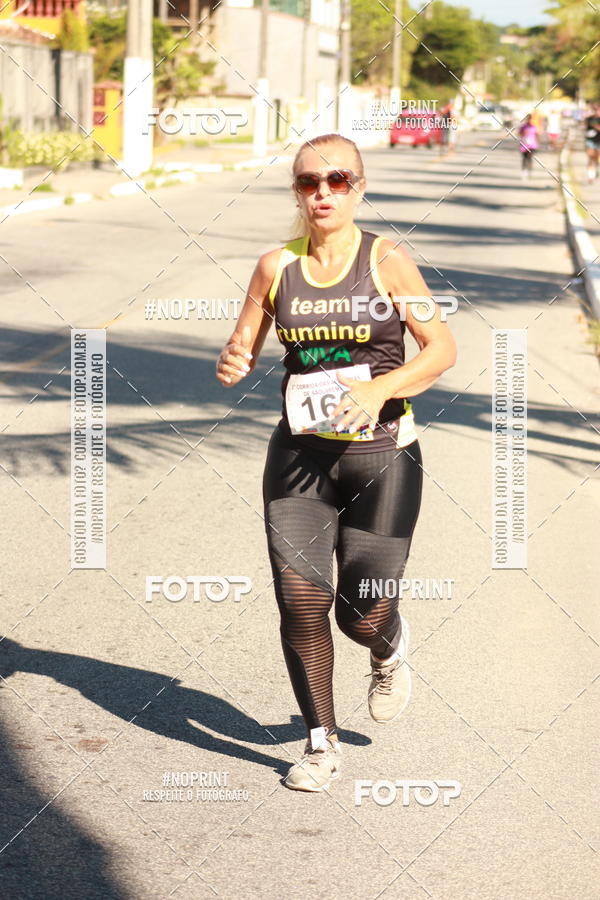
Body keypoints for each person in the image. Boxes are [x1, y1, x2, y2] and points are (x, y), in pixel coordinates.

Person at [216, 133, 457, 792]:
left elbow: (441, 348)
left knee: (360, 614)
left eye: (338, 180)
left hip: (382, 458)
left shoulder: (387, 261)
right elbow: (243, 343)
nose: (323, 192)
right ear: (297, 192)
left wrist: (380, 390)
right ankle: (320, 742)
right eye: (309, 182)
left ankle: (387, 644)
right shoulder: (275, 267)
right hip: (299, 457)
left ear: (358, 187)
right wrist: (233, 359)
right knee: (300, 601)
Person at [518, 114, 539, 180]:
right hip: (524, 144)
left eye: (530, 119)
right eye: (528, 119)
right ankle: (524, 172)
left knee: (529, 158)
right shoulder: (523, 127)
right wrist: (524, 133)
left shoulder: (534, 127)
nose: (529, 120)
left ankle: (529, 172)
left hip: (532, 145)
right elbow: (519, 134)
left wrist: (537, 143)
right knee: (524, 158)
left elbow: (537, 135)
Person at [584, 103, 600, 183]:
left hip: (599, 141)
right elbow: (587, 126)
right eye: (595, 110)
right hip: (590, 141)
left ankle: (595, 171)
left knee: (596, 158)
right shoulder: (589, 119)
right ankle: (590, 175)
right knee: (591, 157)